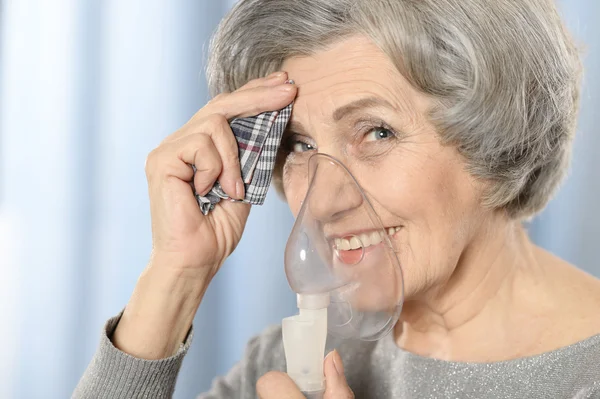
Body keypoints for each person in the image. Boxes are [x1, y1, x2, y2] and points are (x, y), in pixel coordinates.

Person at [74, 0, 600, 398]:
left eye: (376, 133)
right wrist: (177, 274)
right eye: (300, 145)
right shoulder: (293, 361)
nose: (321, 203)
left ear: (499, 134)